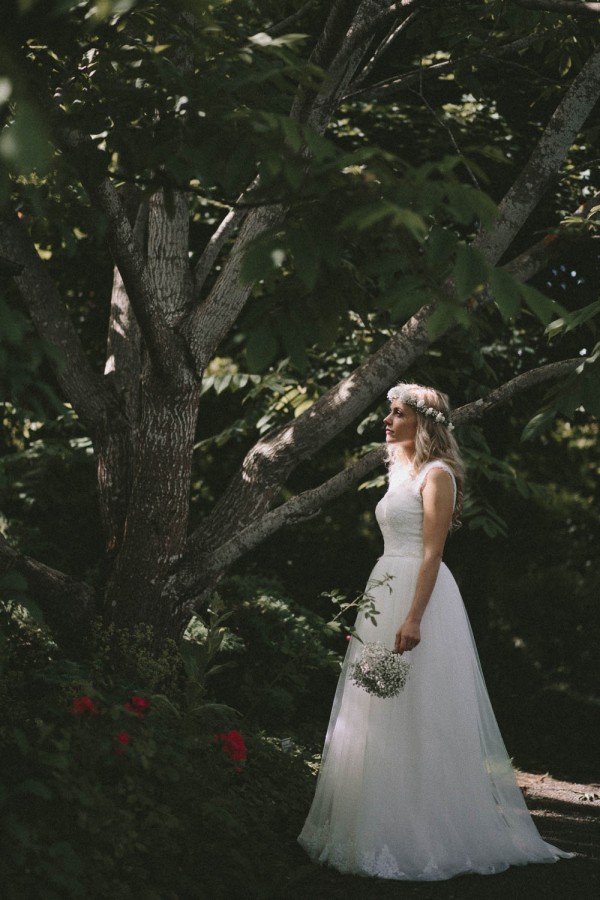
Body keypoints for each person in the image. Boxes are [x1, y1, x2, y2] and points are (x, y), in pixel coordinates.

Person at [298, 383, 573, 881]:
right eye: (389, 413)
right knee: (375, 710)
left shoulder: (437, 474)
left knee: (419, 710)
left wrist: (413, 617)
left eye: (397, 414)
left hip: (418, 595)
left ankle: (423, 830)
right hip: (382, 590)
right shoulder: (398, 471)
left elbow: (432, 552)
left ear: (422, 424)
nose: (387, 420)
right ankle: (373, 823)